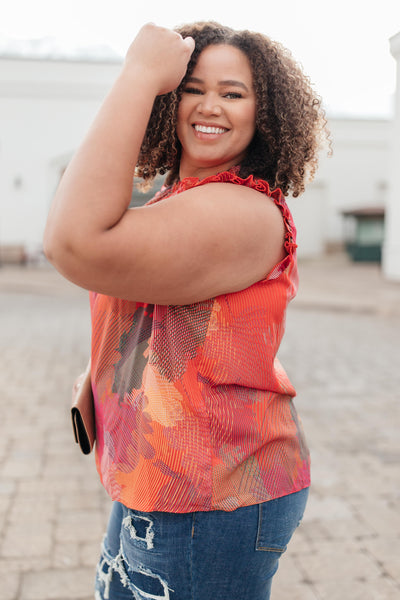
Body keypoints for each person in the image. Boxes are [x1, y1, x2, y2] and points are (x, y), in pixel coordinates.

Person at [44, 21, 329, 600]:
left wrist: (138, 74)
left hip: (211, 497)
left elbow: (73, 242)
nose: (210, 106)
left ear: (264, 114)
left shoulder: (244, 210)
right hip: (162, 483)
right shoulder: (178, 198)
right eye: (193, 87)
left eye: (233, 92)